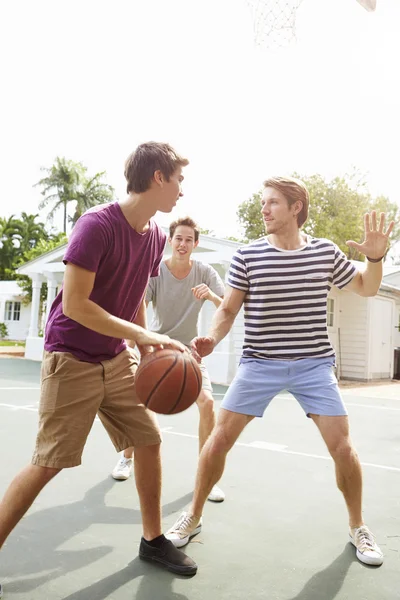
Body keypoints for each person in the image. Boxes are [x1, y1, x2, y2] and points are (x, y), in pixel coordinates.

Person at [165, 176, 394, 567]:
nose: (264, 209)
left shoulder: (324, 252)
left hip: (314, 365)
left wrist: (375, 259)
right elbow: (227, 309)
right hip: (259, 363)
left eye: (272, 202)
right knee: (218, 440)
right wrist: (212, 339)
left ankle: (358, 526)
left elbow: (368, 288)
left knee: (343, 448)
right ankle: (194, 515)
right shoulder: (248, 256)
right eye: (263, 202)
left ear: (295, 208)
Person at [0, 142, 198, 577]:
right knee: (49, 463)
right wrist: (145, 334)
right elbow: (75, 305)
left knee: (148, 440)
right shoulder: (96, 226)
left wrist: (145, 347)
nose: (182, 190)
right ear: (158, 177)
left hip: (116, 359)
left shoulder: (157, 236)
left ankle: (152, 540)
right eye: (179, 179)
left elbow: (135, 298)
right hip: (71, 357)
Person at [111, 216, 226, 503]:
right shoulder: (156, 271)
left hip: (189, 351)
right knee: (140, 403)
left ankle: (206, 476)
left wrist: (211, 295)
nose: (183, 243)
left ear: (196, 244)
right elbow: (139, 305)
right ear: (170, 241)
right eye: (178, 238)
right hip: (158, 346)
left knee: (208, 403)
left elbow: (228, 306)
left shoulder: (204, 271)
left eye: (189, 239)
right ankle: (127, 457)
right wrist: (141, 344)